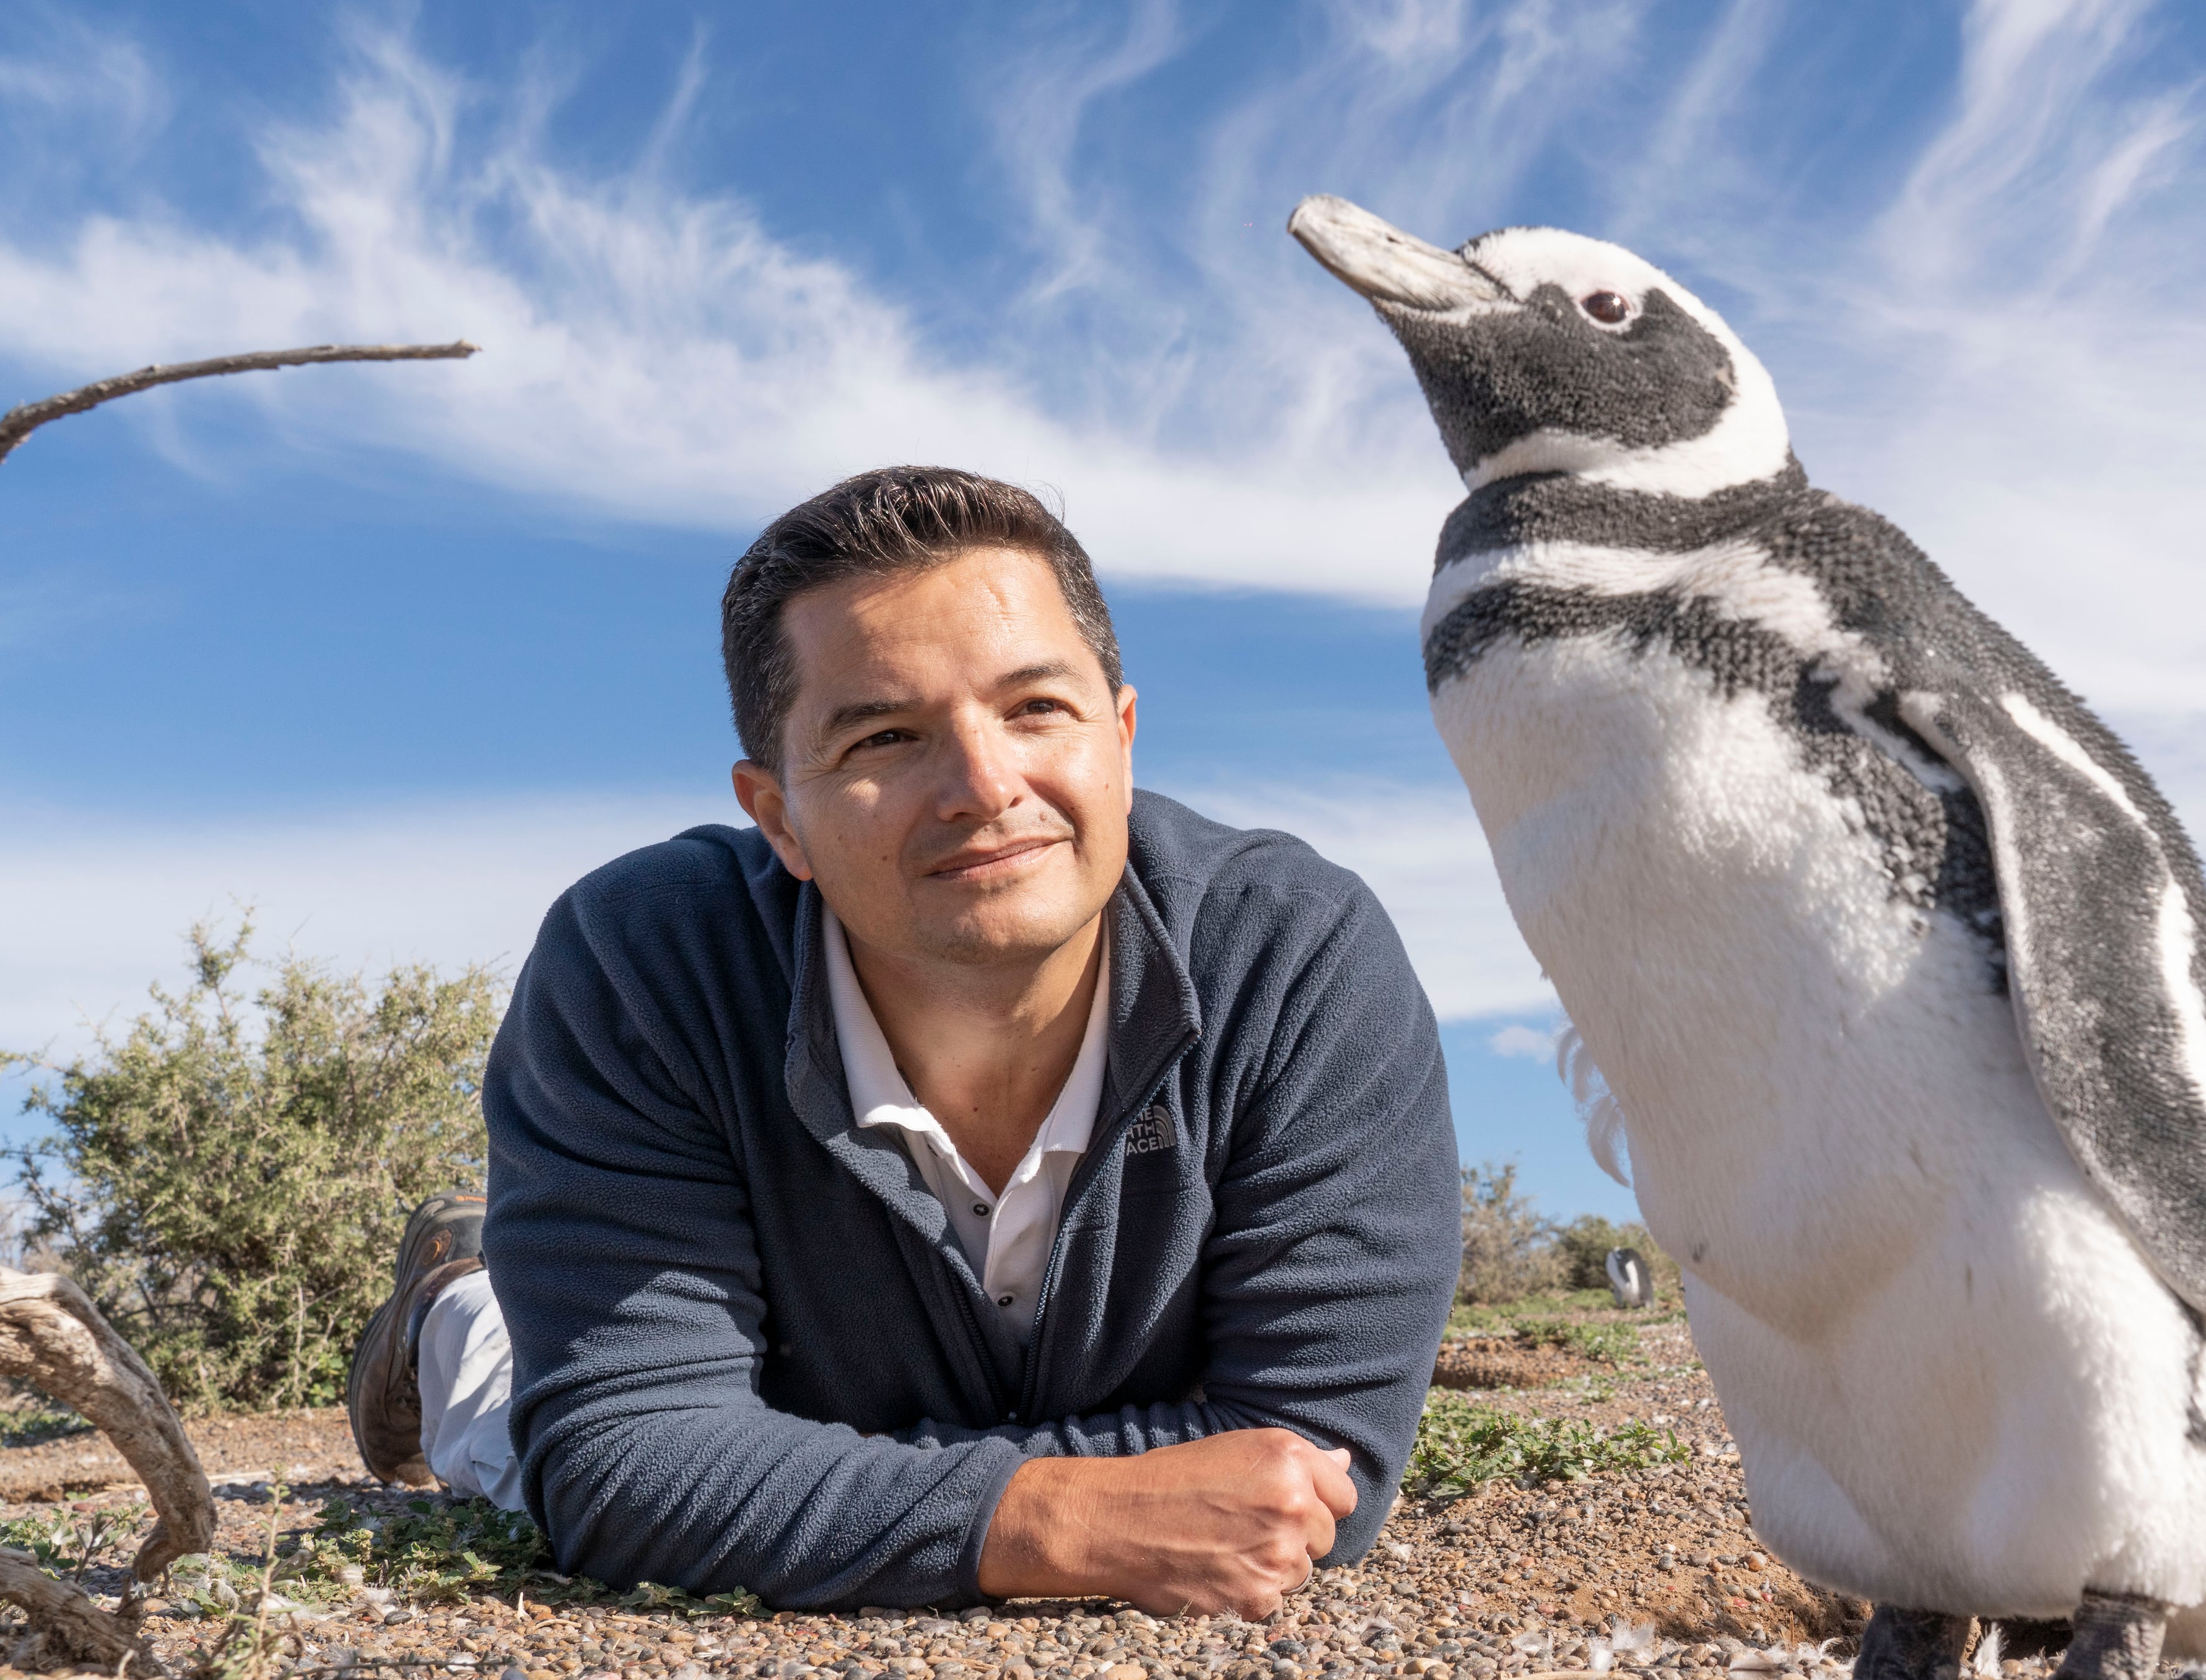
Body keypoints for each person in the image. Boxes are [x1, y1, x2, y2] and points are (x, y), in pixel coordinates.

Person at [344, 468, 1459, 1619]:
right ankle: (456, 1315)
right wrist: (1050, 1517)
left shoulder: (1295, 953)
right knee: (508, 1435)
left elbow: (1313, 1460)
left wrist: (782, 1480)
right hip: (705, 1386)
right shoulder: (642, 962)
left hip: (784, 1419)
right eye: (884, 735)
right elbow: (622, 1463)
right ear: (780, 817)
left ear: (1121, 739)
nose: (984, 787)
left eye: (1037, 710)